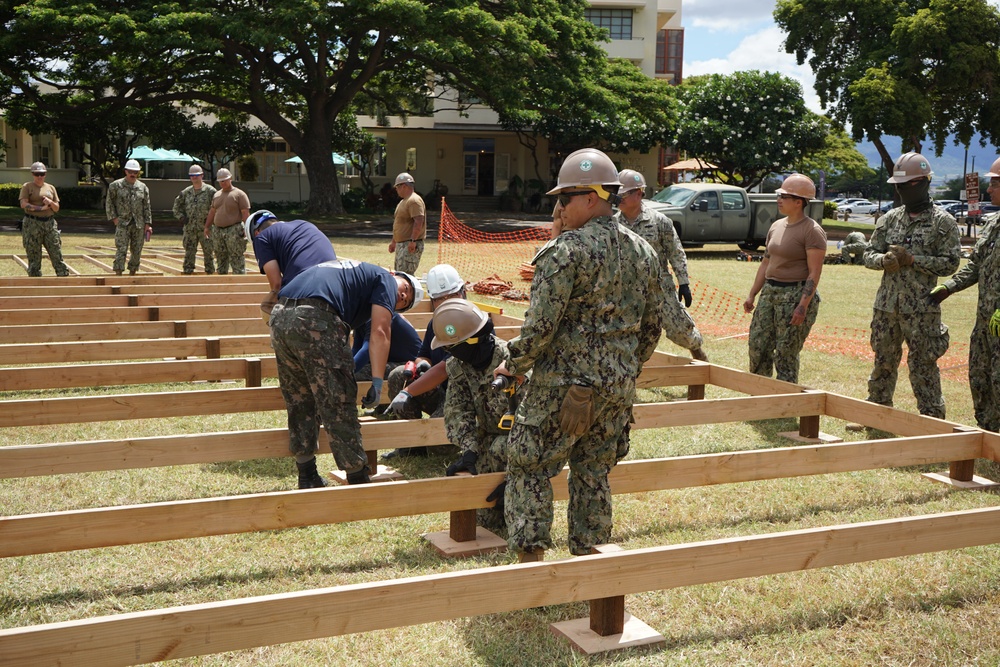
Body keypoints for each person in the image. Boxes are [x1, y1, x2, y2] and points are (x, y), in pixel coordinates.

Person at [494, 148, 664, 561]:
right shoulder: (643, 251)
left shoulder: (566, 250)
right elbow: (653, 326)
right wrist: (623, 369)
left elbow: (540, 328)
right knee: (594, 473)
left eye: (564, 199)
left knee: (529, 466)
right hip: (617, 390)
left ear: (591, 198)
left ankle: (532, 570)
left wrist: (511, 364)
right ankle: (591, 564)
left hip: (562, 388)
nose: (558, 208)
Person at [269, 259, 424, 488]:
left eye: (405, 302)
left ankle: (307, 474)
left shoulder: (355, 273)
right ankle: (356, 475)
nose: (402, 296)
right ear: (396, 275)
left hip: (280, 316)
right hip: (315, 317)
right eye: (406, 290)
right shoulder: (384, 279)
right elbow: (380, 332)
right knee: (338, 399)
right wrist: (378, 383)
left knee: (299, 397)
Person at [860, 152, 960, 420]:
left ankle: (932, 420)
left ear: (924, 183)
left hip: (921, 310)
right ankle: (877, 412)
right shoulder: (890, 218)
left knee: (923, 365)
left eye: (907, 185)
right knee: (883, 360)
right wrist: (884, 260)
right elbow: (868, 254)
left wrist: (913, 260)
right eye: (899, 186)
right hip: (886, 306)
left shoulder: (943, 222)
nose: (902, 190)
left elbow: (950, 263)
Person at [437, 299, 529, 536]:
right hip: (490, 441)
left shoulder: (514, 363)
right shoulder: (460, 366)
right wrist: (469, 451)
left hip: (524, 446)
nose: (450, 354)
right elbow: (459, 412)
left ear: (472, 341)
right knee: (485, 520)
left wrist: (516, 476)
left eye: (452, 347)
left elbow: (535, 425)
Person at [927, 156, 1000, 431]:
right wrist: (949, 286)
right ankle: (988, 435)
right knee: (980, 377)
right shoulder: (993, 223)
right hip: (985, 322)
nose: (989, 190)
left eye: (994, 183)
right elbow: (977, 265)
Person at [615, 168, 708, 361]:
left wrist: (684, 282)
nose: (619, 199)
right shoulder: (613, 224)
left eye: (624, 194)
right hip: (627, 288)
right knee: (628, 332)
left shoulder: (659, 221)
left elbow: (675, 252)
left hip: (659, 288)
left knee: (680, 329)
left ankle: (699, 355)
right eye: (618, 195)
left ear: (639, 193)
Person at [743, 173, 826, 384]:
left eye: (784, 197)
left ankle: (785, 398)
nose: (778, 200)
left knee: (786, 351)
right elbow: (766, 262)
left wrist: (802, 306)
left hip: (794, 294)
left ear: (799, 202)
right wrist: (753, 294)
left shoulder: (812, 231)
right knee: (758, 344)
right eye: (779, 195)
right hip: (770, 292)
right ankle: (760, 392)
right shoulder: (776, 226)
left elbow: (814, 272)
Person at [380, 263, 466, 460]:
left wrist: (408, 392)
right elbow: (423, 352)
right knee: (398, 375)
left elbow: (445, 369)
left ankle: (460, 438)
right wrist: (422, 363)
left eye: (451, 296)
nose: (445, 302)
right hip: (442, 391)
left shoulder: (472, 322)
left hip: (465, 396)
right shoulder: (436, 322)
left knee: (439, 448)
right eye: (440, 299)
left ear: (462, 292)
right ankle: (411, 447)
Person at [246, 209, 338, 317]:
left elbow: (276, 285)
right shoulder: (304, 224)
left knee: (277, 319)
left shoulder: (261, 238)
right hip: (337, 280)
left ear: (256, 233)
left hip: (306, 283)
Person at [19, 162, 69, 277]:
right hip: (32, 223)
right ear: (33, 174)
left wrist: (50, 202)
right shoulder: (27, 187)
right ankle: (35, 280)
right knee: (34, 254)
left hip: (49, 223)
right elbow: (23, 204)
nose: (39, 176)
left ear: (45, 174)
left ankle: (63, 276)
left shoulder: (50, 188)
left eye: (42, 174)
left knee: (56, 251)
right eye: (37, 174)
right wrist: (40, 208)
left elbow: (56, 208)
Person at [106, 158, 152, 276]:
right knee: (121, 249)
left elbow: (146, 206)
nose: (132, 174)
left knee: (137, 250)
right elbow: (109, 203)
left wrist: (148, 224)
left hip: (139, 223)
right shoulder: (115, 186)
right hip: (122, 222)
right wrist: (114, 219)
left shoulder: (142, 187)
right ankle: (118, 273)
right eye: (130, 171)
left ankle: (132, 272)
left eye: (135, 172)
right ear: (125, 171)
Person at [172, 164, 217, 275]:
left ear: (202, 175)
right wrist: (181, 217)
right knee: (189, 252)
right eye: (192, 175)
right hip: (190, 228)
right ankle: (188, 272)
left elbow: (218, 207)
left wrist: (212, 221)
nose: (194, 177)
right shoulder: (186, 192)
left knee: (208, 252)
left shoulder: (210, 191)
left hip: (206, 228)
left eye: (196, 175)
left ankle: (210, 273)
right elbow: (176, 206)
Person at [204, 168, 250, 274]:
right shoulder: (217, 195)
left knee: (236, 257)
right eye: (221, 181)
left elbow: (245, 213)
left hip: (234, 229)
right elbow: (212, 211)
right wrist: (207, 226)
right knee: (220, 257)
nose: (223, 183)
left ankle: (239, 283)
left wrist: (247, 229)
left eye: (225, 180)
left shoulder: (239, 194)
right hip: (218, 230)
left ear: (230, 179)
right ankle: (222, 282)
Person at [352, 313, 422, 381]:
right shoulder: (362, 319)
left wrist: (347, 370)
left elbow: (367, 350)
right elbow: (356, 348)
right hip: (392, 360)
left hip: (410, 365)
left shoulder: (377, 317)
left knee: (355, 373)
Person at [388, 172, 426, 274]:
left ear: (404, 186)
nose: (396, 190)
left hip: (409, 243)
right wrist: (394, 241)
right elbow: (399, 223)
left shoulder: (414, 200)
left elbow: (418, 221)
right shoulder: (403, 201)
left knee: (406, 275)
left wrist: (413, 240)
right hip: (402, 244)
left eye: (397, 187)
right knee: (400, 273)